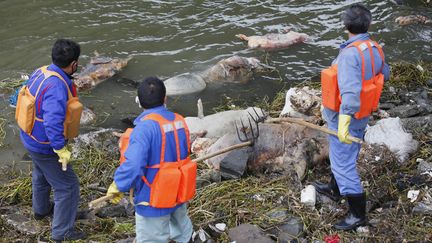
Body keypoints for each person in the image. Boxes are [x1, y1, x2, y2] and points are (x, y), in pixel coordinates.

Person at [316, 3, 390, 230]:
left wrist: (344, 122)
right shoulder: (374, 47)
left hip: (345, 116)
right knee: (343, 157)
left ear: (345, 25)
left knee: (344, 165)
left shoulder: (349, 55)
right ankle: (335, 189)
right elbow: (384, 73)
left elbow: (349, 93)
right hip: (362, 114)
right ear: (369, 23)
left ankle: (358, 215)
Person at [107, 77, 194, 243]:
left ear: (139, 102)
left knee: (151, 238)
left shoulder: (144, 129)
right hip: (178, 189)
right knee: (182, 228)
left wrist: (119, 184)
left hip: (154, 196)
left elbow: (133, 165)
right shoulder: (179, 120)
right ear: (165, 98)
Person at [17, 39, 86, 241]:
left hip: (29, 138)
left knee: (41, 174)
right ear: (73, 64)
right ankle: (62, 232)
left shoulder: (42, 71)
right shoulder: (56, 86)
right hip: (45, 145)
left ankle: (41, 210)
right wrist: (60, 149)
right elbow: (52, 121)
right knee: (68, 186)